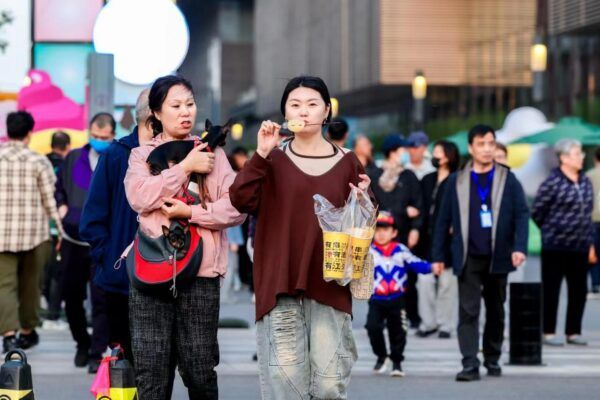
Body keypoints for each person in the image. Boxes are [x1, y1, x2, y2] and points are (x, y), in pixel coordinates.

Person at [230, 76, 372, 399]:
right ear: (285, 113)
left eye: (312, 104)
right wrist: (260, 155)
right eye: (295, 105)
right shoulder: (272, 159)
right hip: (279, 285)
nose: (303, 112)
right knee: (285, 385)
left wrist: (364, 201)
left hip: (331, 285)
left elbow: (368, 218)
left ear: (326, 112)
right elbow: (240, 200)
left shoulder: (348, 162)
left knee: (327, 385)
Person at [124, 75, 244, 400]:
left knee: (200, 370)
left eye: (189, 104)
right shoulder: (141, 155)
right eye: (175, 106)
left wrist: (191, 214)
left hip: (201, 274)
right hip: (151, 271)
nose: (185, 112)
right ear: (157, 112)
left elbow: (237, 207)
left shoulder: (213, 154)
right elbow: (139, 196)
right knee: (152, 374)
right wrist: (185, 167)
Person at [432, 124, 529, 381]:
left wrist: (519, 247)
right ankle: (469, 363)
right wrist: (438, 257)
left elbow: (522, 213)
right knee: (468, 311)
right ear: (472, 148)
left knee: (496, 310)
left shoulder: (508, 178)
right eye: (482, 144)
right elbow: (442, 220)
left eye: (491, 144)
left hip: (499, 255)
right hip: (468, 255)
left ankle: (492, 358)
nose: (487, 149)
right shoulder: (457, 180)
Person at [79, 89, 153, 364]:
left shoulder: (177, 155)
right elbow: (92, 219)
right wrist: (109, 259)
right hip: (121, 279)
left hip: (164, 278)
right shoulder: (116, 155)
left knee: (156, 362)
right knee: (124, 361)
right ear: (153, 114)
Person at [56, 112, 116, 372]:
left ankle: (96, 352)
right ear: (89, 133)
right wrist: (61, 206)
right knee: (71, 295)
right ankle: (82, 342)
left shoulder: (117, 158)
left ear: (113, 136)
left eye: (105, 137)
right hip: (72, 237)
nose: (100, 141)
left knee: (101, 298)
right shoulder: (72, 158)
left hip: (102, 241)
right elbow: (59, 189)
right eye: (96, 136)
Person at [0, 111, 62, 353]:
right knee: (31, 285)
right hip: (35, 236)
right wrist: (59, 231)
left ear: (7, 131)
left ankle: (8, 335)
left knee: (4, 286)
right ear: (29, 133)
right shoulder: (39, 161)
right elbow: (50, 200)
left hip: (2, 235)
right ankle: (26, 332)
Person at [532, 139, 594, 347]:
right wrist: (551, 230)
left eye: (581, 153)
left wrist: (590, 241)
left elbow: (588, 211)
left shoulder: (584, 181)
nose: (581, 157)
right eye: (577, 154)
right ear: (563, 158)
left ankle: (573, 331)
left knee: (579, 290)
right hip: (555, 246)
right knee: (552, 289)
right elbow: (537, 211)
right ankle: (548, 331)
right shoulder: (552, 182)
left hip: (581, 245)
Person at [366, 211, 438, 377]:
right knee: (373, 327)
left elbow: (415, 263)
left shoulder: (400, 250)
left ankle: (397, 362)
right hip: (376, 299)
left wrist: (431, 267)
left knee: (398, 331)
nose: (381, 233)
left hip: (397, 299)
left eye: (386, 229)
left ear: (394, 232)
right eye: (377, 230)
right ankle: (381, 356)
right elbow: (355, 270)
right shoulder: (368, 252)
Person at [371, 134, 423, 328]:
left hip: (403, 233)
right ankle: (381, 316)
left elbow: (418, 205)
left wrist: (416, 229)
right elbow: (372, 205)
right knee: (380, 276)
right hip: (380, 235)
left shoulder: (408, 176)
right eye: (403, 150)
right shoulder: (375, 175)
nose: (406, 153)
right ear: (393, 151)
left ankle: (411, 316)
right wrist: (403, 210)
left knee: (407, 276)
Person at [416, 140, 460, 339]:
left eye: (440, 152)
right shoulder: (427, 179)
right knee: (424, 281)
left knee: (447, 283)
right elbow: (420, 206)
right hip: (426, 238)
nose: (436, 156)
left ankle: (445, 324)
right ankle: (428, 322)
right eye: (435, 152)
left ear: (450, 155)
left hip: (449, 240)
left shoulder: (458, 180)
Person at [42, 130, 71, 328]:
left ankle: (50, 309)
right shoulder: (68, 166)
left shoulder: (41, 163)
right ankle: (54, 312)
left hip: (40, 228)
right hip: (62, 226)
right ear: (67, 146)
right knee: (59, 272)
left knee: (46, 270)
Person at [585, 147, 600, 296]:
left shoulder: (589, 175)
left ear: (595, 159)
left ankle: (596, 284)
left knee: (593, 252)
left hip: (593, 219)